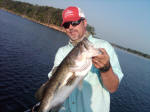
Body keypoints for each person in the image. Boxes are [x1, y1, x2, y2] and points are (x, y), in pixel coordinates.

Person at [48, 6, 124, 112]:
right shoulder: (61, 52)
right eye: (66, 24)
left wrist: (106, 69)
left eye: (74, 22)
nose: (70, 27)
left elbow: (113, 88)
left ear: (84, 22)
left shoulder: (104, 47)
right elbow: (52, 81)